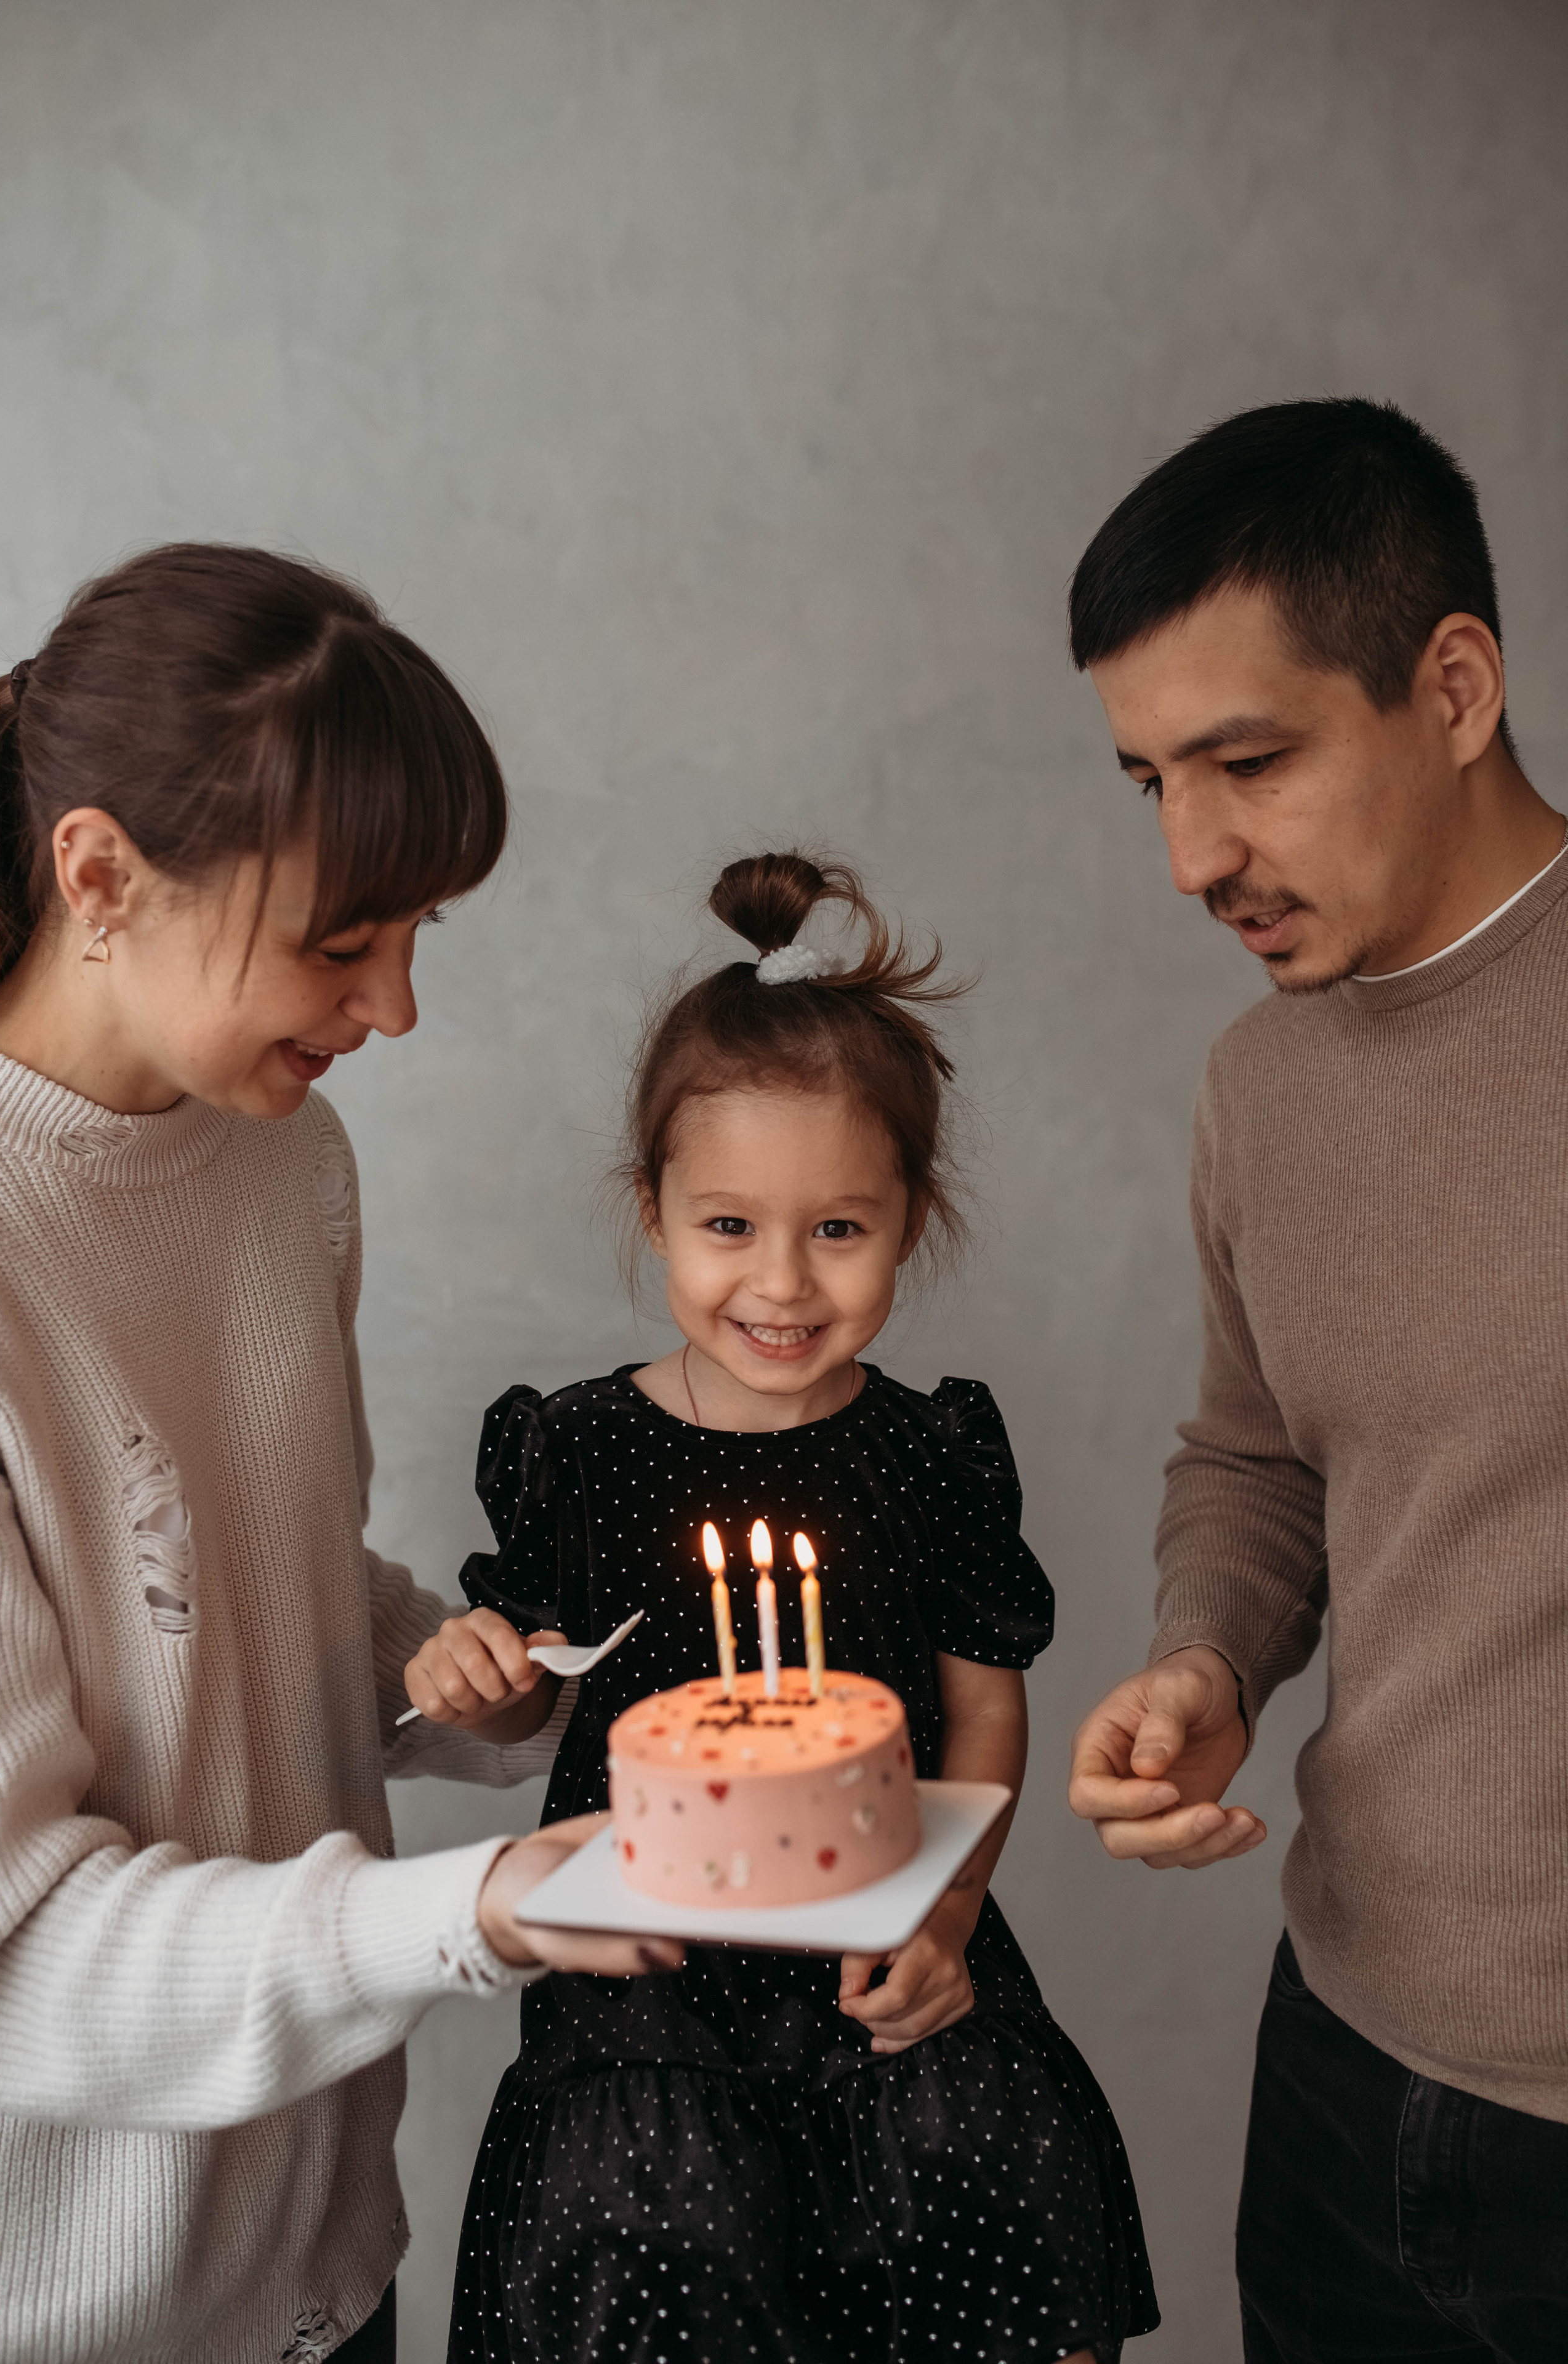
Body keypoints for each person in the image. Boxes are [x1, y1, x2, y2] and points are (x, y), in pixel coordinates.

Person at [0, 546, 680, 2364]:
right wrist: (482, 1915)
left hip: (327, 2256)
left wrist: (465, 1680)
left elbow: (230, 1598)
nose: (393, 1015)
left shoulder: (287, 1163)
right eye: (339, 941)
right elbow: (17, 1958)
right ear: (99, 874)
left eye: (415, 940)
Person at [404, 851, 1160, 2364]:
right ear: (654, 1211)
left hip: (884, 1967)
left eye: (837, 1230)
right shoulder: (578, 1447)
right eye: (729, 1226)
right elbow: (535, 1690)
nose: (783, 1285)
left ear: (908, 1218)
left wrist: (944, 1910)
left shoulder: (928, 1456)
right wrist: (477, 1679)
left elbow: (983, 1704)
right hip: (648, 2001)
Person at [1064, 398, 1568, 2361]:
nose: (1196, 856)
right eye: (1149, 785)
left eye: (1248, 762)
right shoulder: (1259, 1088)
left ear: (1452, 688)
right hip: (1348, 2061)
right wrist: (1211, 1655)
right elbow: (1260, 1453)